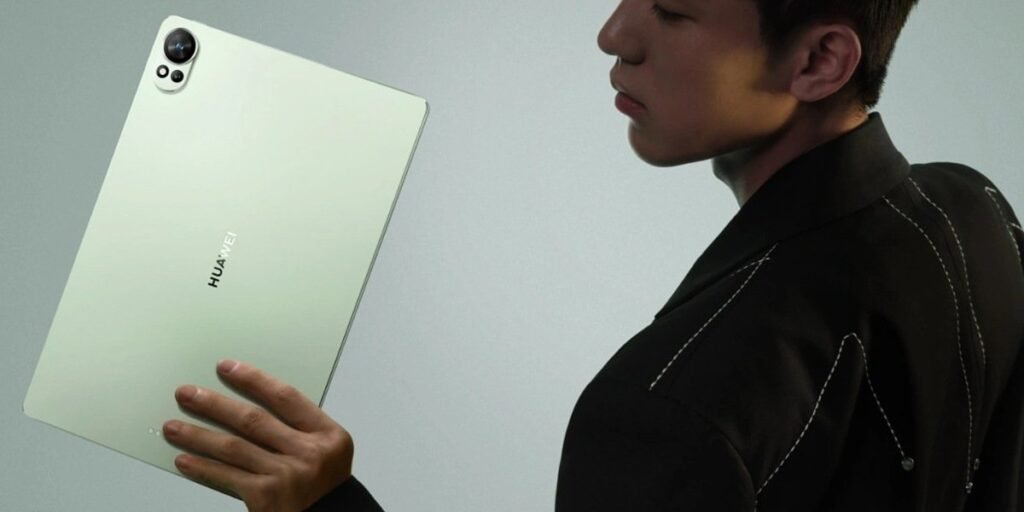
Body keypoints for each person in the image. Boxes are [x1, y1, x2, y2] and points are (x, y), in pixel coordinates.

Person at [160, 0, 1024, 510]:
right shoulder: (977, 209)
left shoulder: (666, 409)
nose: (615, 34)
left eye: (673, 11)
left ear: (821, 59)